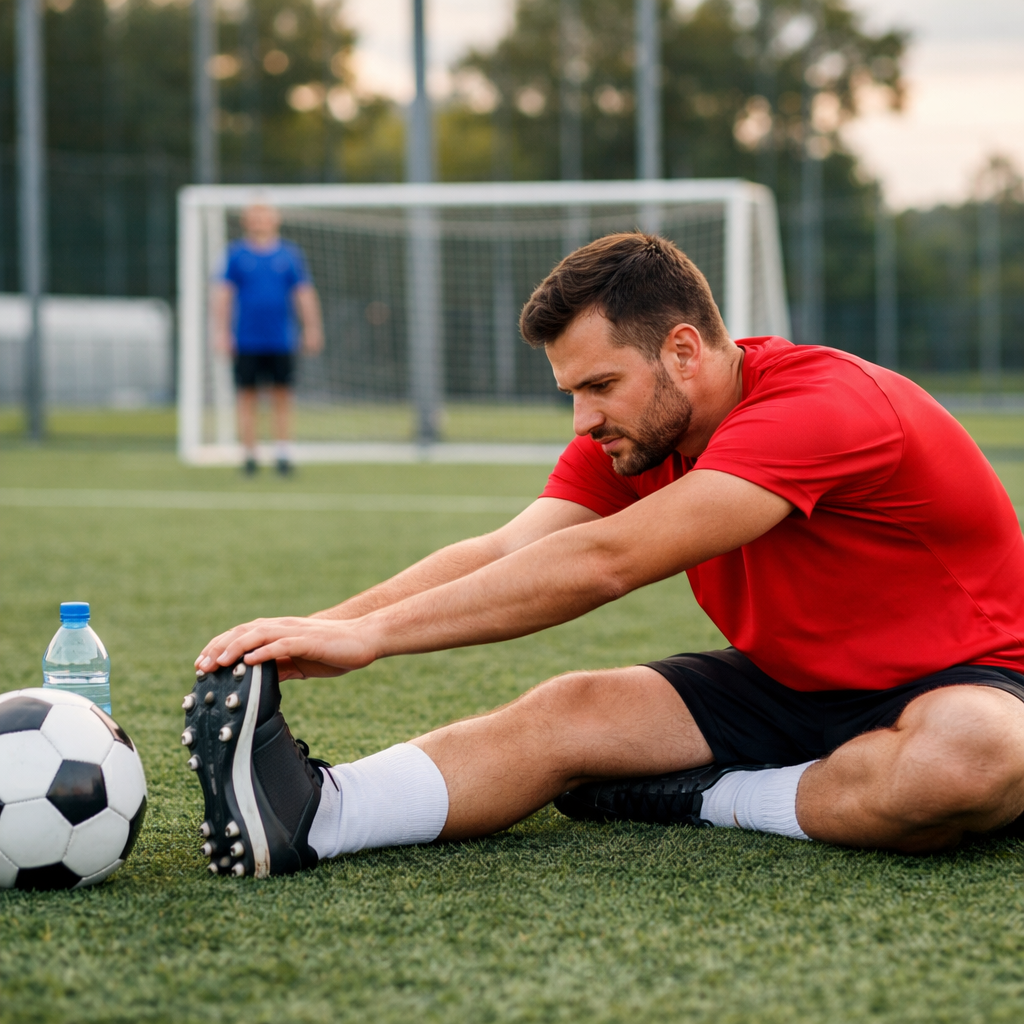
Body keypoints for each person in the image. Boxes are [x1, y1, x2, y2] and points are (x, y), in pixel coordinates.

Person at [192, 232, 1024, 879]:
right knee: (572, 709)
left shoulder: (821, 405)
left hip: (972, 678)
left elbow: (605, 560)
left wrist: (375, 639)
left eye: (599, 386)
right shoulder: (637, 431)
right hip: (792, 682)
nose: (583, 420)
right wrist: (322, 626)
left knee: (967, 760)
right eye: (572, 392)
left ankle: (716, 796)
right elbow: (511, 547)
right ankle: (320, 815)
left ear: (683, 352)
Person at [213, 203, 324, 476]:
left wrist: (312, 328)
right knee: (246, 397)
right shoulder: (236, 255)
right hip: (247, 340)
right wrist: (221, 331)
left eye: (264, 216)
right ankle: (249, 456)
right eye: (254, 217)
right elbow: (223, 294)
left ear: (275, 219)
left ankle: (283, 454)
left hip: (281, 340)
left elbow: (303, 293)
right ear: (246, 221)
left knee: (282, 396)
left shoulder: (289, 254)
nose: (259, 221)